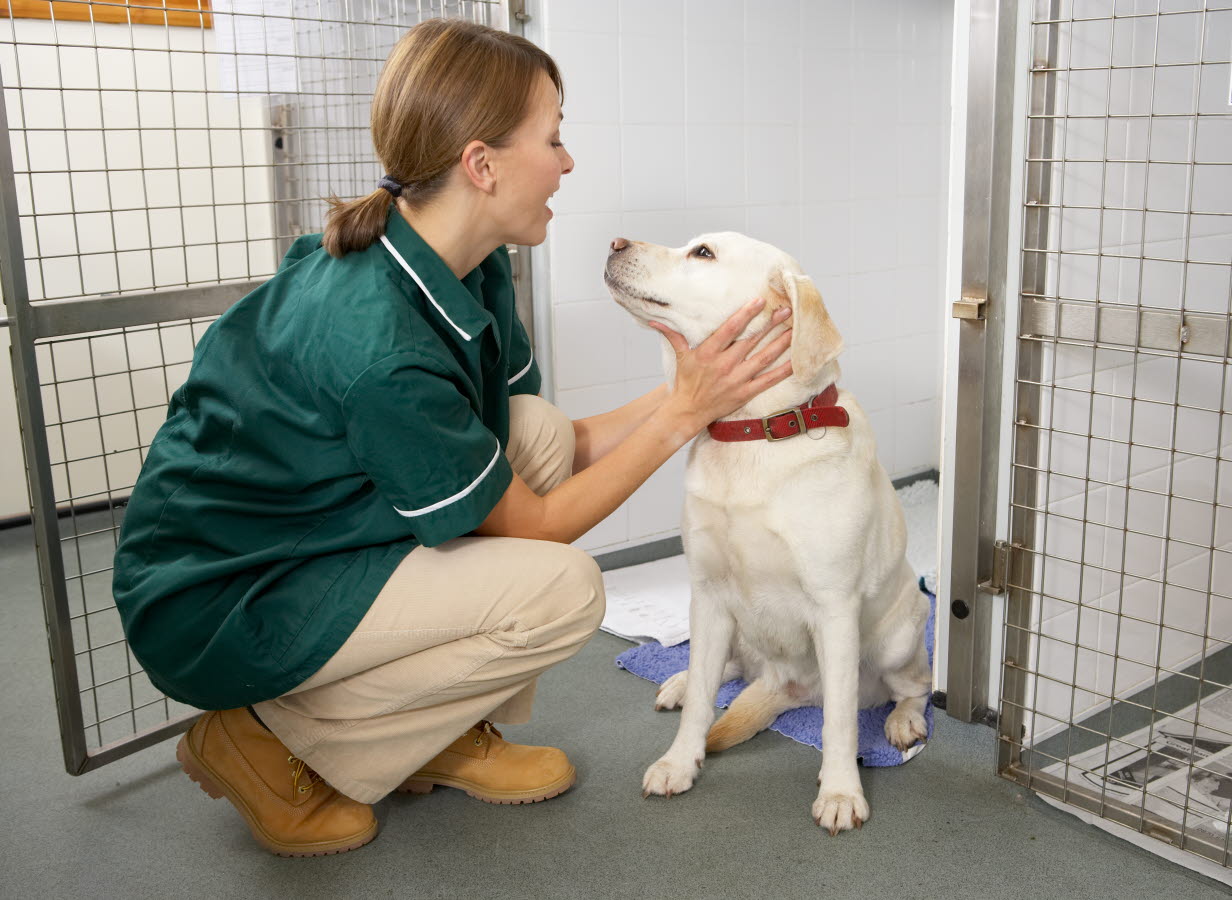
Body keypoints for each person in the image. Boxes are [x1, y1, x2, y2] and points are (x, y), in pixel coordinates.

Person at [112, 18, 793, 857]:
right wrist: (687, 415)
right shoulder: (381, 342)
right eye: (554, 137)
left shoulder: (467, 260)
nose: (568, 161)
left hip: (311, 532)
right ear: (482, 164)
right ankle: (261, 740)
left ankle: (435, 730)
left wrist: (690, 391)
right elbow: (538, 529)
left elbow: (558, 448)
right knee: (563, 590)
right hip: (221, 598)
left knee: (532, 432)